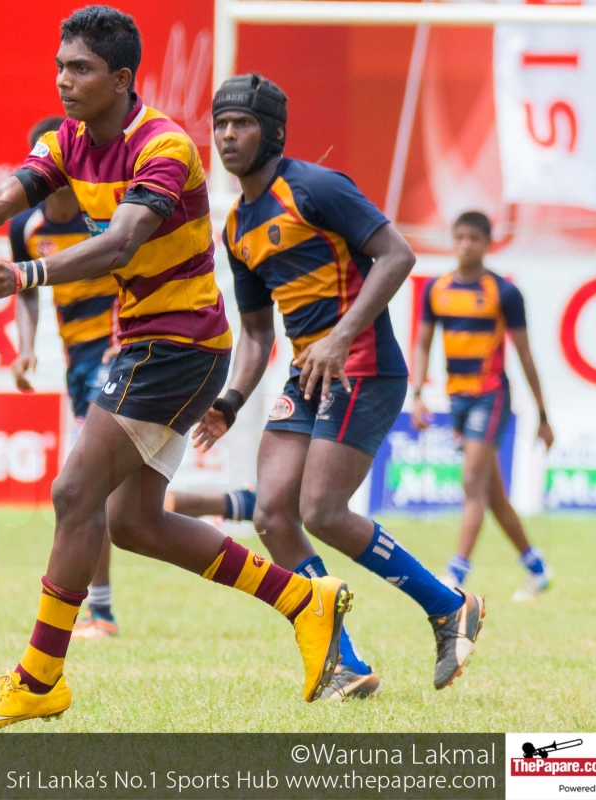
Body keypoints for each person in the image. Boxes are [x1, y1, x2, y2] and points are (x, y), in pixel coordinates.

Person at [0, 6, 352, 730]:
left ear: (122, 78)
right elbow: (5, 200)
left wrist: (27, 275)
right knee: (133, 522)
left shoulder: (164, 146)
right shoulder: (66, 139)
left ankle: (39, 678)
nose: (63, 80)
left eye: (79, 69)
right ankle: (303, 599)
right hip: (153, 344)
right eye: (60, 66)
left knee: (73, 492)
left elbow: (120, 243)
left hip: (177, 345)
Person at [201, 73, 485, 697]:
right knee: (273, 513)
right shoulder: (236, 227)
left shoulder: (316, 187)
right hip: (307, 371)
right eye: (220, 124)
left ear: (272, 132)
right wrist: (229, 401)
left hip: (362, 363)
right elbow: (256, 335)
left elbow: (398, 254)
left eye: (242, 123)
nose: (227, 135)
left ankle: (449, 606)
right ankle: (346, 661)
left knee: (322, 512)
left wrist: (340, 336)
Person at [10, 115, 121, 639]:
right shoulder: (26, 228)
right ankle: (99, 611)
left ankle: (101, 613)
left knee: (84, 485)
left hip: (118, 354)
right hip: (77, 361)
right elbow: (27, 292)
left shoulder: (104, 213)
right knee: (102, 493)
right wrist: (26, 349)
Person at [412, 211, 553, 601]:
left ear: (488, 243)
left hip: (490, 395)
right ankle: (537, 567)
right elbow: (422, 343)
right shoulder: (436, 289)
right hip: (456, 397)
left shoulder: (503, 292)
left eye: (474, 238)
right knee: (492, 494)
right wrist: (417, 395)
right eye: (460, 237)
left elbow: (525, 355)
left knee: (472, 480)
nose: (466, 245)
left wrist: (543, 415)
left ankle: (455, 572)